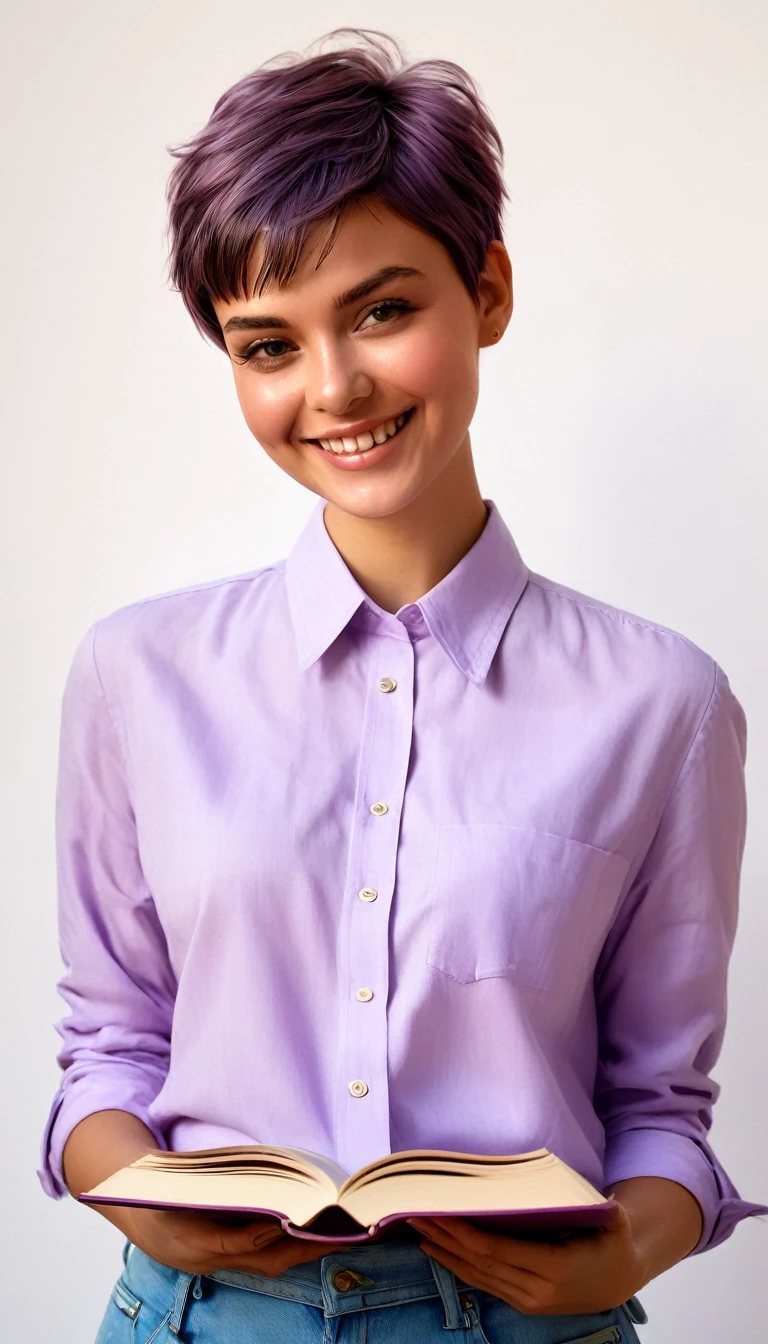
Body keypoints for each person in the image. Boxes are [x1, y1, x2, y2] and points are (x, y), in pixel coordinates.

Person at [38, 27, 767, 1344]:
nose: (334, 388)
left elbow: (661, 1106)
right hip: (194, 1320)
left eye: (383, 309)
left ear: (486, 291)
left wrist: (625, 1254)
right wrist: (126, 1188)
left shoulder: (664, 707)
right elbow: (109, 1042)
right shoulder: (134, 678)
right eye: (268, 346)